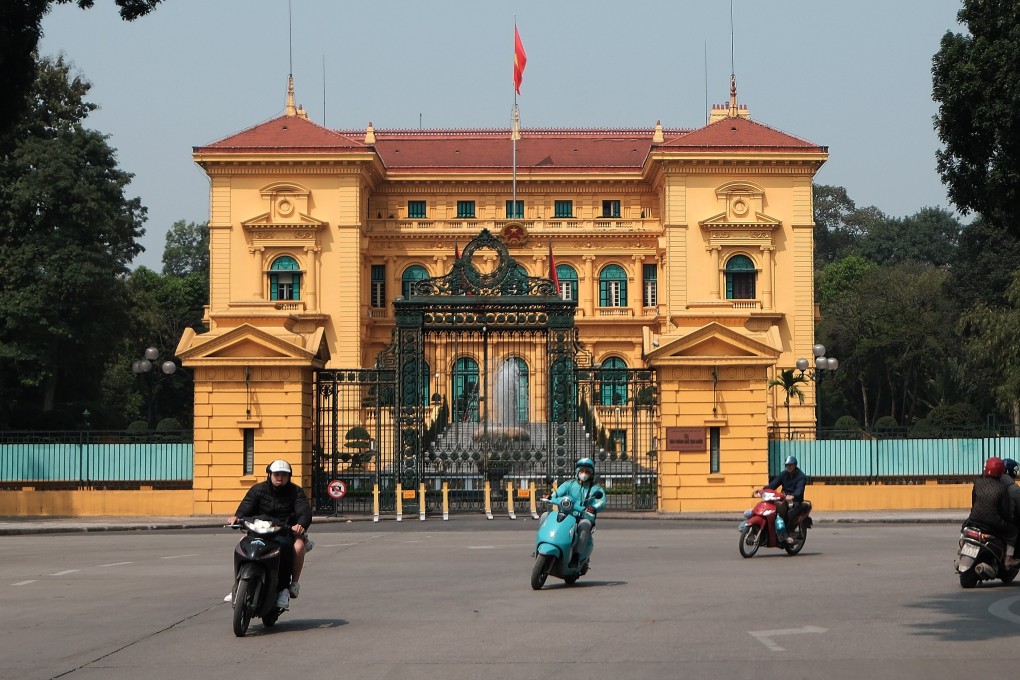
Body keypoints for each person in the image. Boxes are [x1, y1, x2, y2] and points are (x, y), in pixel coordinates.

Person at [228, 459, 312, 610]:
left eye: (284, 475)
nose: (280, 477)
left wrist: (301, 525)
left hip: (283, 531)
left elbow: (304, 511)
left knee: (288, 547)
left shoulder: (296, 491)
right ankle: (237, 585)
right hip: (258, 529)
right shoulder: (257, 490)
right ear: (269, 474)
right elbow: (246, 507)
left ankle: (284, 589)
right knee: (242, 543)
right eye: (277, 474)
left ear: (289, 476)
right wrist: (237, 517)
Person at [548, 457, 606, 562]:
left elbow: (602, 501)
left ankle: (576, 555)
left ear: (591, 474)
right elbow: (557, 493)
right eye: (582, 471)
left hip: (584, 517)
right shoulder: (569, 484)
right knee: (545, 516)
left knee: (585, 525)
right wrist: (550, 496)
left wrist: (594, 507)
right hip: (567, 514)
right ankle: (545, 543)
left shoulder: (596, 489)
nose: (584, 474)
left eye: (587, 471)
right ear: (577, 472)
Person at [968, 456, 1020, 569]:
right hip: (993, 521)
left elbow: (973, 501)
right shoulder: (1003, 488)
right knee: (1013, 531)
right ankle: (1008, 559)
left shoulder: (978, 482)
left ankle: (961, 546)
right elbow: (1005, 509)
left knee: (965, 527)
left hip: (974, 518)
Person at [767, 455, 807, 545]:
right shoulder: (783, 474)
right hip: (784, 498)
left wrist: (793, 496)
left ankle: (788, 533)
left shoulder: (801, 477)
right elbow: (773, 485)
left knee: (790, 513)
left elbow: (799, 491)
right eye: (787, 465)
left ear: (795, 465)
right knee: (771, 506)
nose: (788, 467)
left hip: (796, 501)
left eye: (790, 465)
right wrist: (763, 490)